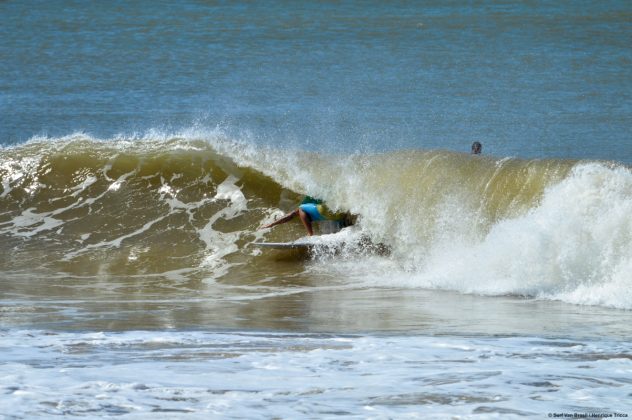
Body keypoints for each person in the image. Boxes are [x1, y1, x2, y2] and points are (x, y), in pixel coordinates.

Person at [261, 196, 351, 236]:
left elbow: (292, 215)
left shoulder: (309, 198)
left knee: (301, 209)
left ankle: (310, 234)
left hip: (327, 213)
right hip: (340, 216)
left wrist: (271, 224)